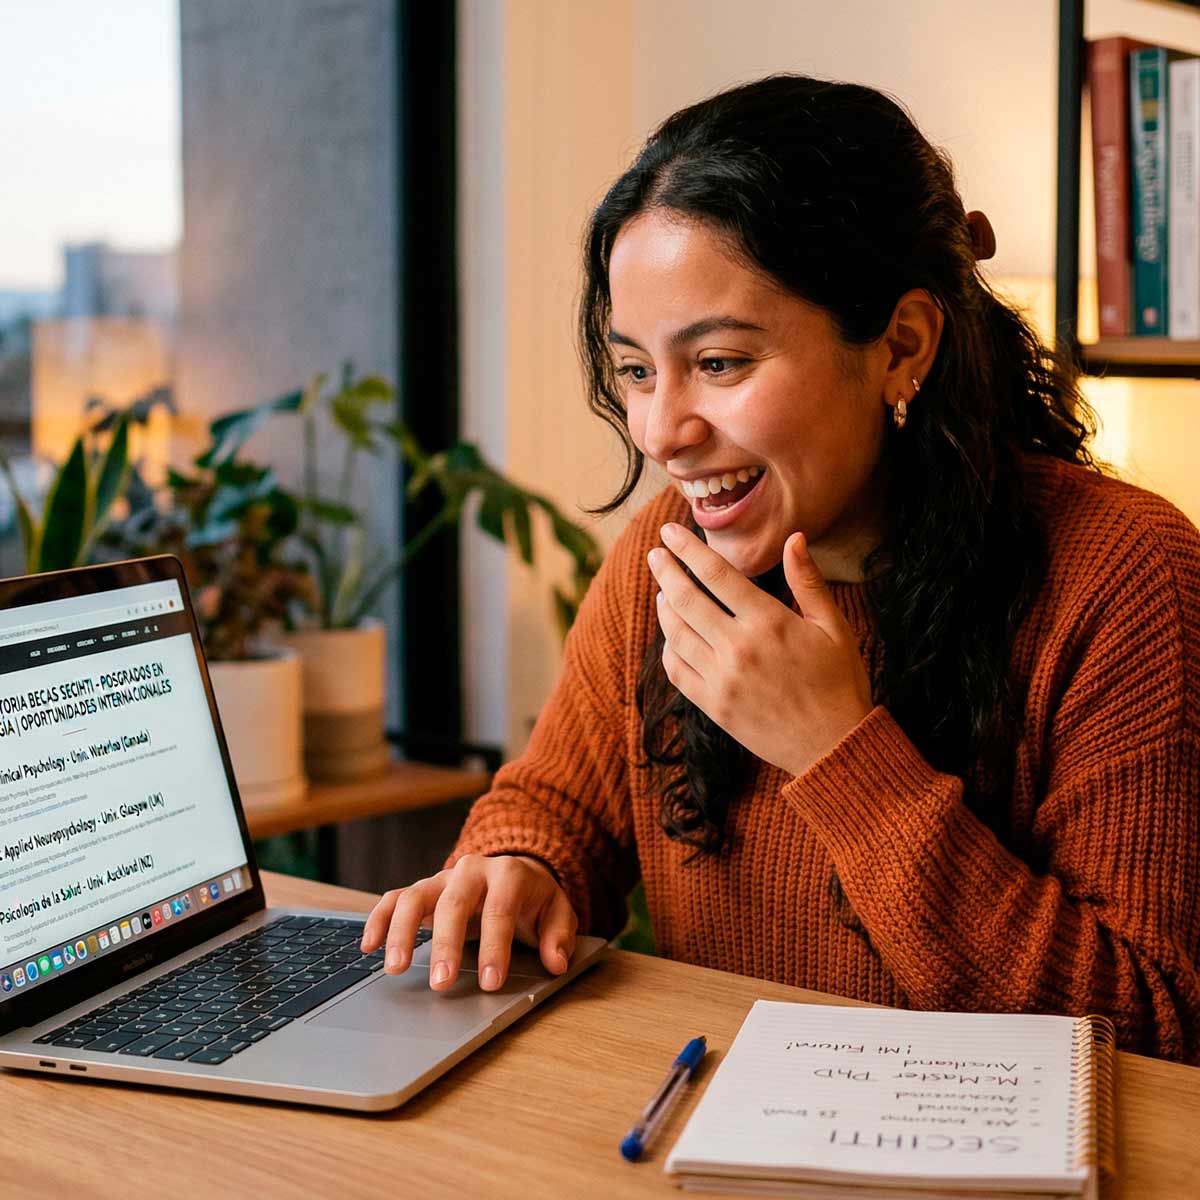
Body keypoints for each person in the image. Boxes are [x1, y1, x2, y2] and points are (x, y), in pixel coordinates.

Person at [360, 74, 1200, 1063]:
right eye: (636, 370)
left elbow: (1153, 1030)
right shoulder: (667, 558)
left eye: (719, 363)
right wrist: (518, 867)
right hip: (703, 1124)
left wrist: (838, 753)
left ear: (901, 345)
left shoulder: (1126, 575)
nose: (661, 432)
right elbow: (555, 808)